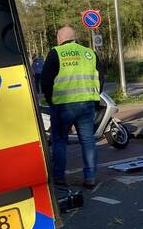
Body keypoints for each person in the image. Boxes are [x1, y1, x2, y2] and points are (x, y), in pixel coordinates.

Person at [40, 26, 103, 189]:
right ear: (74, 37)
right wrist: (95, 98)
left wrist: (50, 100)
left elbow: (46, 80)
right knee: (88, 140)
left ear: (60, 38)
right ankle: (90, 177)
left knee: (60, 140)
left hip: (63, 105)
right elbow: (100, 77)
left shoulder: (56, 53)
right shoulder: (89, 53)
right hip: (87, 104)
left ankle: (59, 176)